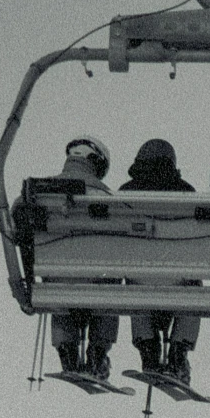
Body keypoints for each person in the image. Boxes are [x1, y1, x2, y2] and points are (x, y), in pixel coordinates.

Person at [120, 139, 200, 381]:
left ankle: (148, 350)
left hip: (140, 276)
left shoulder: (124, 193)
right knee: (194, 287)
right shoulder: (186, 192)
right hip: (177, 276)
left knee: (135, 282)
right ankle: (178, 352)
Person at [45, 136, 119, 379]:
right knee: (110, 283)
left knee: (59, 282)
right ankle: (98, 353)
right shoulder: (107, 198)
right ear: (95, 163)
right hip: (97, 284)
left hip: (56, 282)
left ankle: (67, 351)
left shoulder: (41, 190)